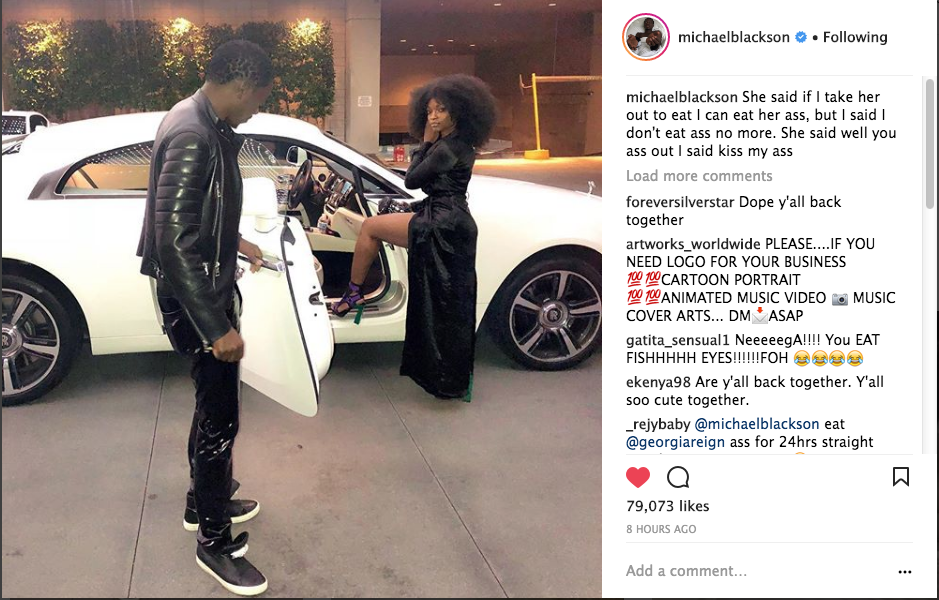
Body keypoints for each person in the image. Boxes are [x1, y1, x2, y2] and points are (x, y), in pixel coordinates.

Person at [136, 39, 272, 596]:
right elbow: (173, 241)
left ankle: (202, 502)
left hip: (199, 288)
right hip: (196, 299)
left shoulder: (196, 117)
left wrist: (236, 241)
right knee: (221, 421)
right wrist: (217, 327)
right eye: (258, 100)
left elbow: (195, 212)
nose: (257, 110)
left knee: (210, 408)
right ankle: (214, 543)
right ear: (241, 87)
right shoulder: (195, 133)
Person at [330, 74, 497, 400]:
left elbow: (411, 180)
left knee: (371, 228)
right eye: (430, 110)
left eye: (440, 110)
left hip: (441, 223)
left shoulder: (446, 148)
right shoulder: (457, 144)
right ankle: (450, 375)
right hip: (448, 220)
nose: (433, 116)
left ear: (459, 111)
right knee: (446, 303)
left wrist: (425, 141)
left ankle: (353, 294)